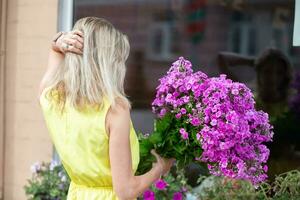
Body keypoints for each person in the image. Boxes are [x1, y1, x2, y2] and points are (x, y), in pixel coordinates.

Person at [38, 17, 175, 200]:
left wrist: (58, 43)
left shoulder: (52, 97)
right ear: (108, 62)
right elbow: (125, 191)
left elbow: (54, 54)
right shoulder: (114, 110)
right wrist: (160, 167)